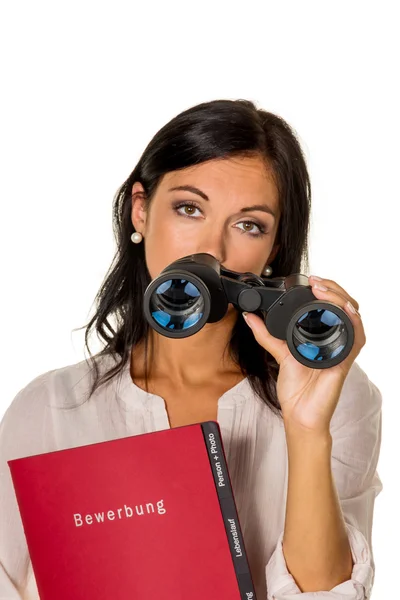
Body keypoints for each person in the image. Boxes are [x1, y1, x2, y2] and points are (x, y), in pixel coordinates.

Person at [0, 99, 382, 599]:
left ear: (272, 250)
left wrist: (307, 430)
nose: (213, 249)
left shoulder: (337, 398)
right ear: (141, 210)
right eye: (189, 208)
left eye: (249, 225)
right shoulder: (52, 409)